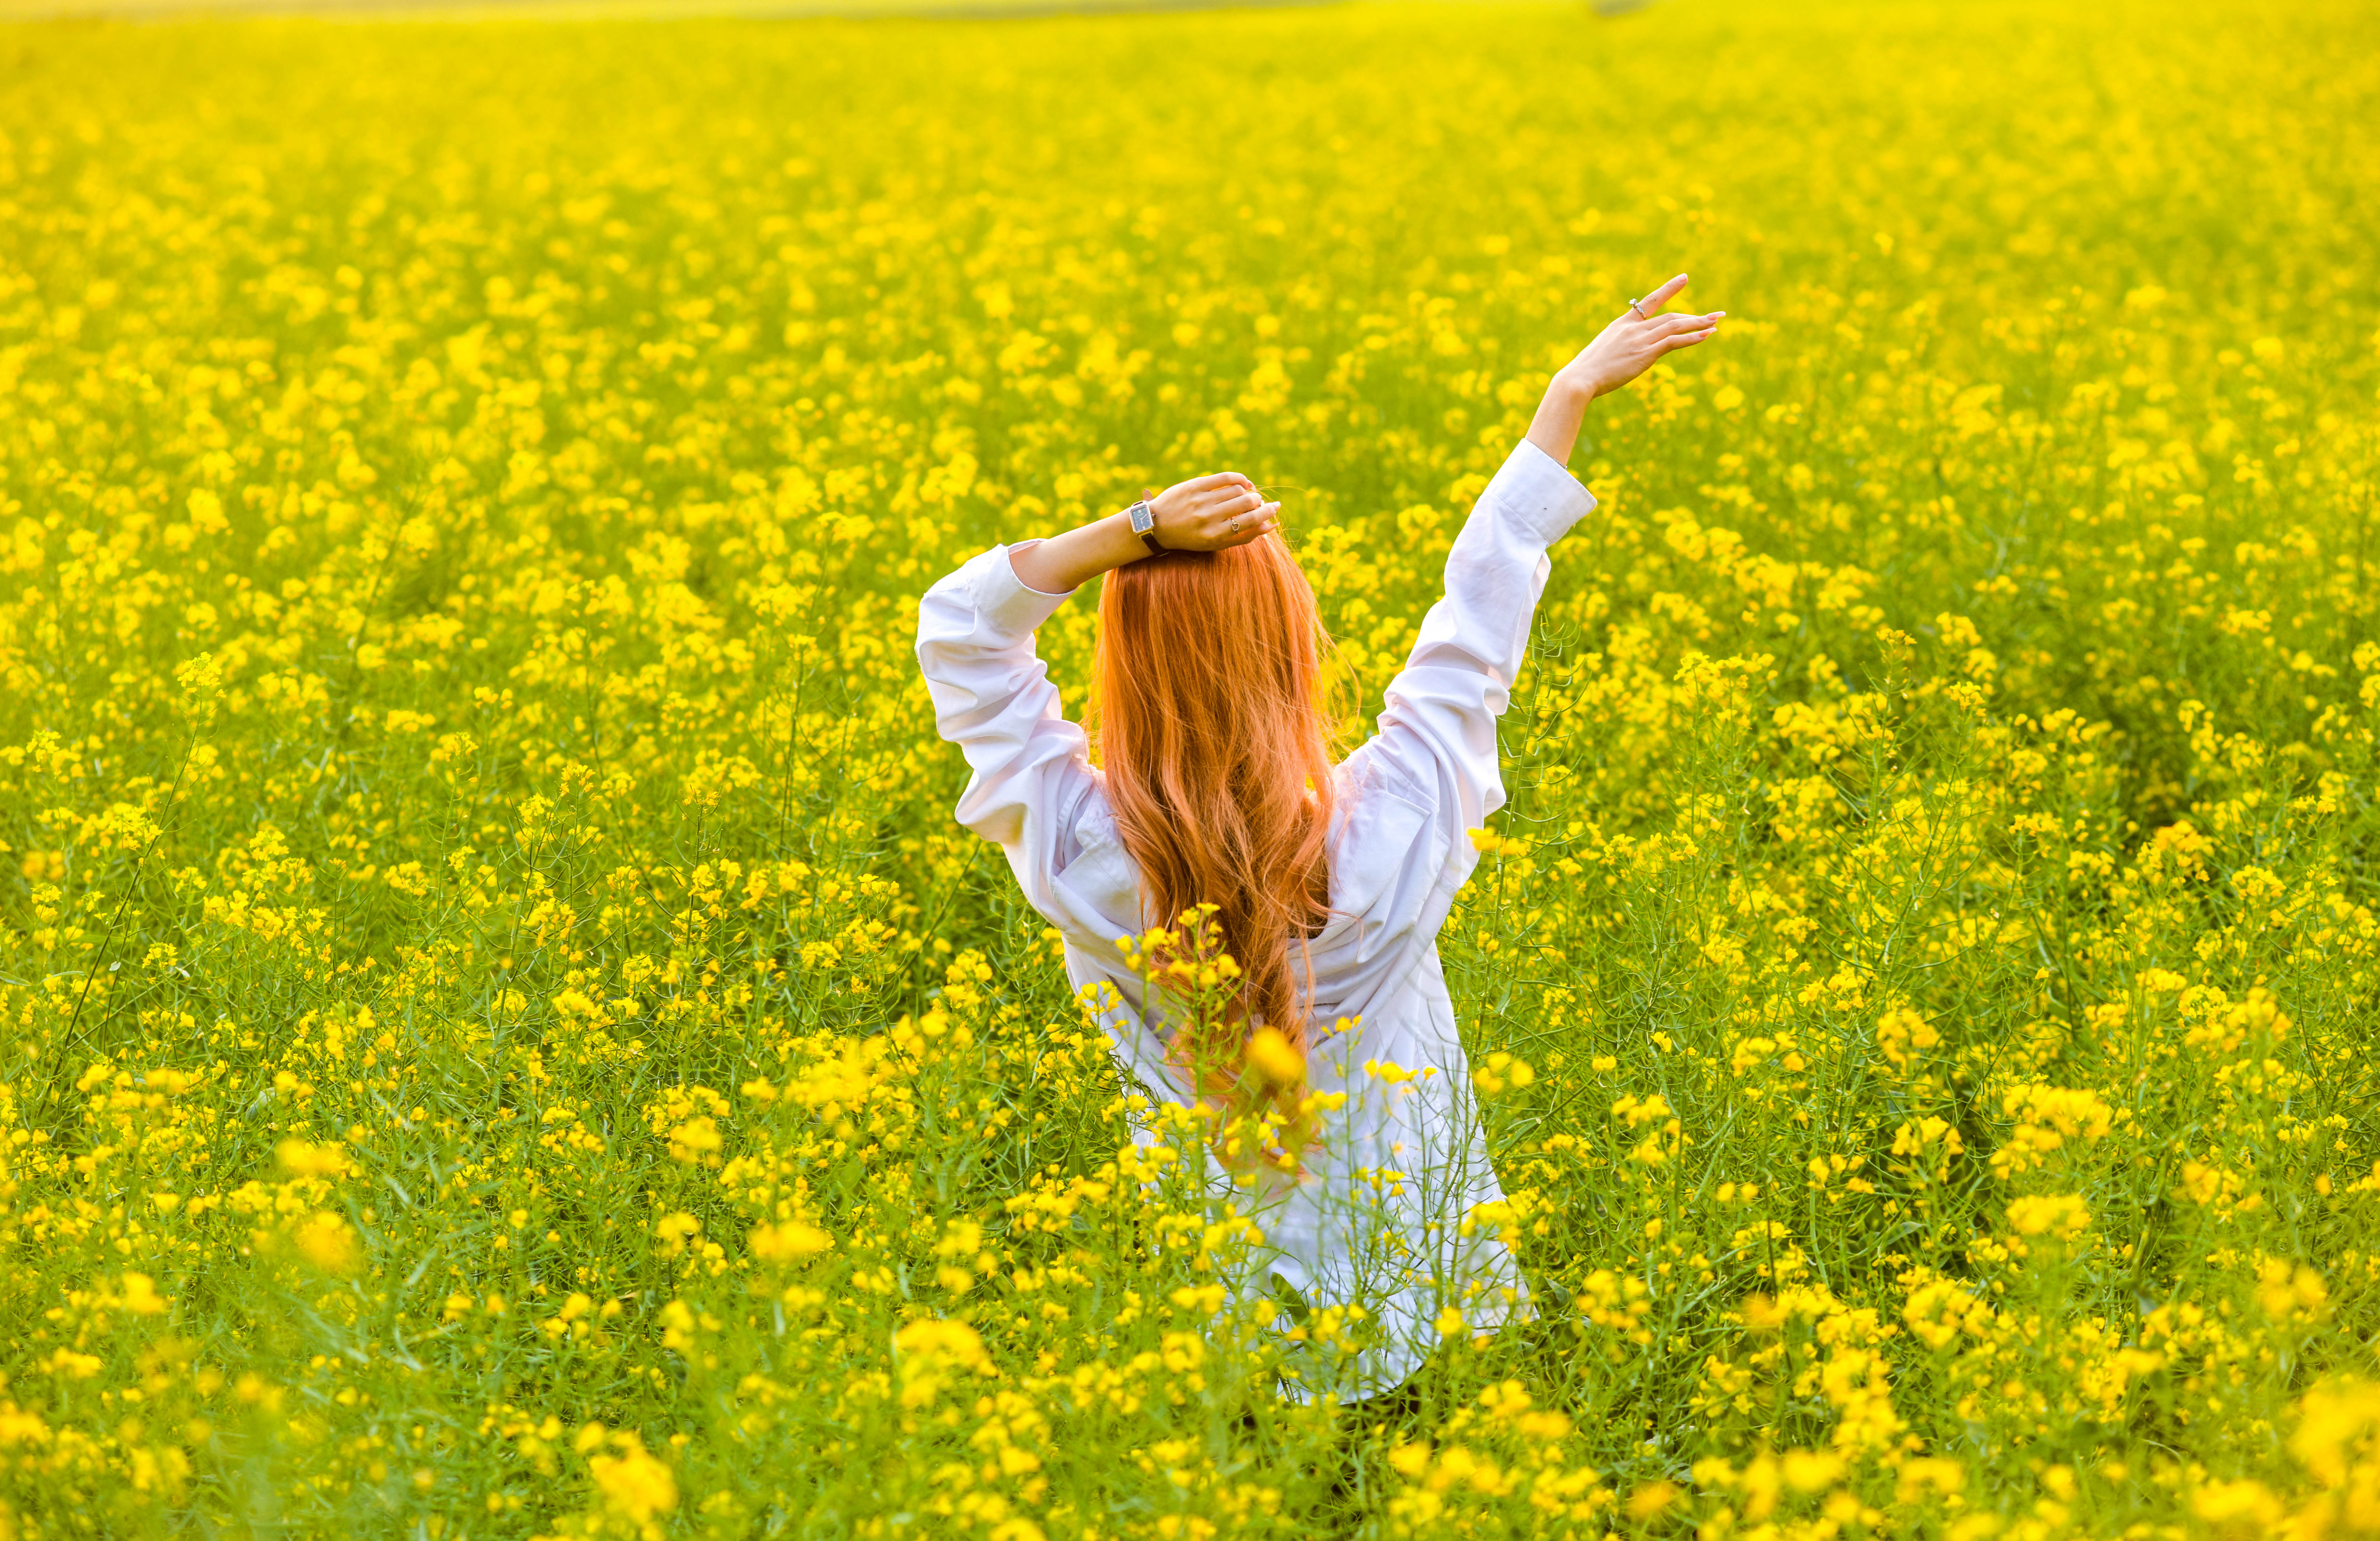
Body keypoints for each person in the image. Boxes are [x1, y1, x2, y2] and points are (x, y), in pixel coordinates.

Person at [915, 274, 1724, 1405]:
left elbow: (960, 630)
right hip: (1429, 1313)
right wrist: (1566, 397)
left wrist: (1134, 534)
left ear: (1124, 671)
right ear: (1294, 651)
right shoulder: (1396, 829)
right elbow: (1475, 628)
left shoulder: (1080, 859)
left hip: (1232, 1340)